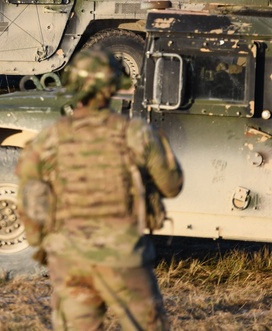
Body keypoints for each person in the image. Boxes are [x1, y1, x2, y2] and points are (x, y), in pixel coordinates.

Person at [16, 48, 184, 331]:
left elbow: (28, 194)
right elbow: (172, 186)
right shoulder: (137, 134)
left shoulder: (50, 138)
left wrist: (40, 241)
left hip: (70, 261)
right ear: (113, 87)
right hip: (124, 259)